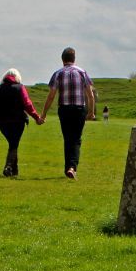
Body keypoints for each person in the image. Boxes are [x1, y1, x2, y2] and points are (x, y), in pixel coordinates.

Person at [0, 68, 43, 177]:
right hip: (18, 122)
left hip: (3, 122)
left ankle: (14, 171)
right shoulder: (20, 88)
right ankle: (8, 167)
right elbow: (27, 104)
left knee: (13, 144)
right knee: (14, 144)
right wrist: (36, 117)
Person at [40, 47, 96, 179]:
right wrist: (91, 112)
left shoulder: (58, 73)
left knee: (67, 138)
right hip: (79, 109)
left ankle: (68, 169)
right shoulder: (82, 72)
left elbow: (51, 96)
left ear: (62, 59)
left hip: (64, 109)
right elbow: (90, 95)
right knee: (76, 139)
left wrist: (44, 113)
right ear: (74, 59)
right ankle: (72, 168)